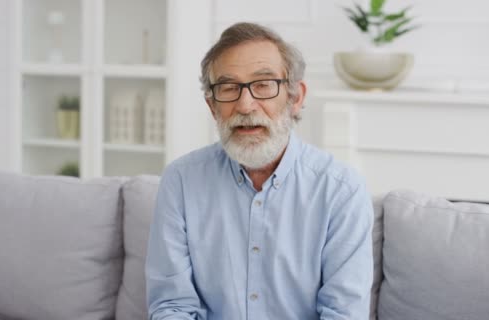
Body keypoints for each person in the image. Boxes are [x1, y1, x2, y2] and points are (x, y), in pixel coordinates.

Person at [146, 22, 374, 320]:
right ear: (212, 106)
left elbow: (343, 314)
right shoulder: (181, 181)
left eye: (264, 85)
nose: (245, 104)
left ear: (295, 97)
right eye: (228, 88)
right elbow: (171, 307)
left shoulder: (342, 190)